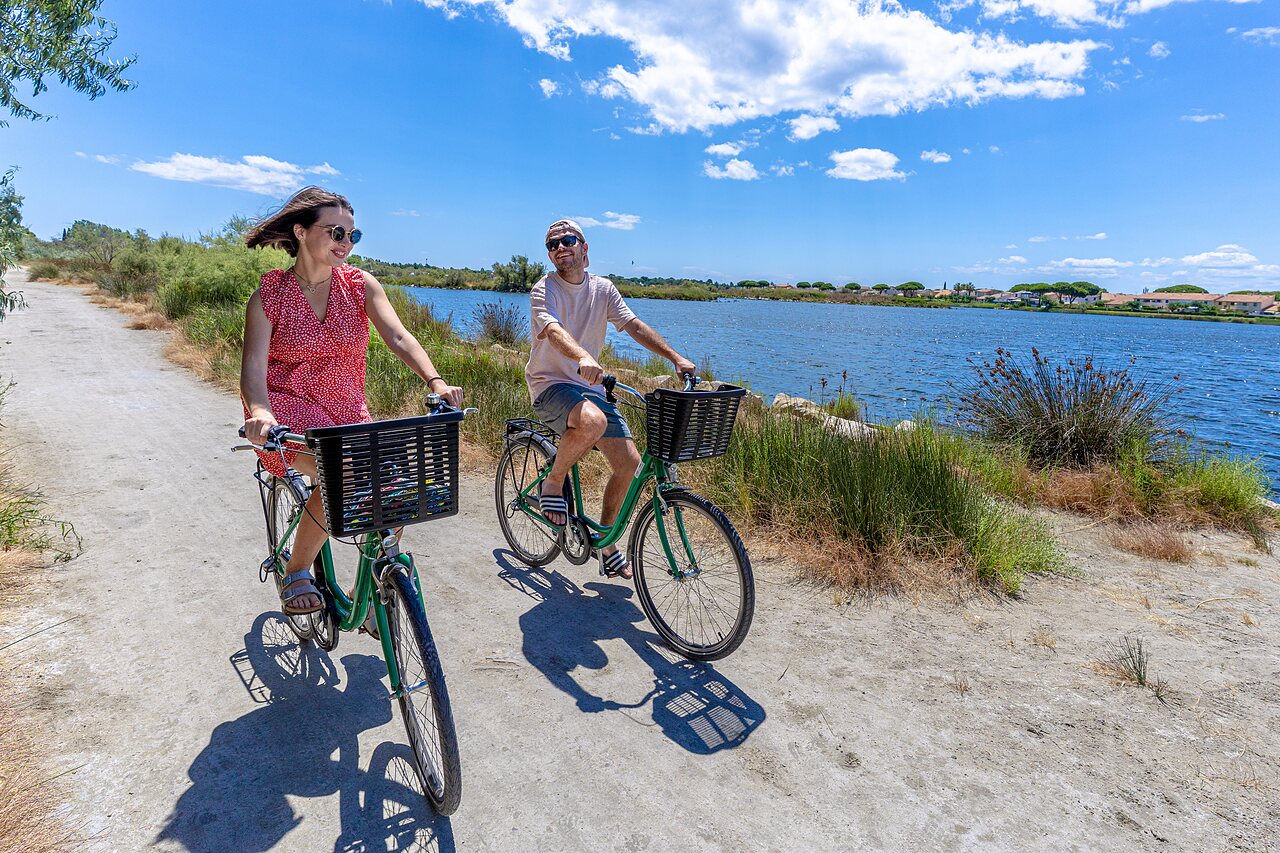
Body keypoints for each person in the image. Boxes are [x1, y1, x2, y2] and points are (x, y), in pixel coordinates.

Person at [240, 186, 463, 615]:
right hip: (286, 406)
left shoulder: (360, 285)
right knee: (342, 473)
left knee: (398, 485)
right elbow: (252, 369)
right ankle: (297, 570)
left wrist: (435, 381)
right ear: (302, 232)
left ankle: (376, 583)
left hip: (345, 407)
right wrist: (262, 412)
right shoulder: (269, 296)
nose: (345, 243)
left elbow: (398, 336)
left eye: (352, 235)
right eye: (336, 232)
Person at [526, 219, 696, 580]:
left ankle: (605, 542)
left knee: (631, 467)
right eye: (552, 244)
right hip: (550, 384)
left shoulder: (603, 289)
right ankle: (553, 482)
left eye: (567, 240)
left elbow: (633, 325)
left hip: (591, 388)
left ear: (584, 249)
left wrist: (675, 357)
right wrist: (583, 357)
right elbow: (552, 329)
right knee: (592, 422)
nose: (560, 247)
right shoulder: (545, 289)